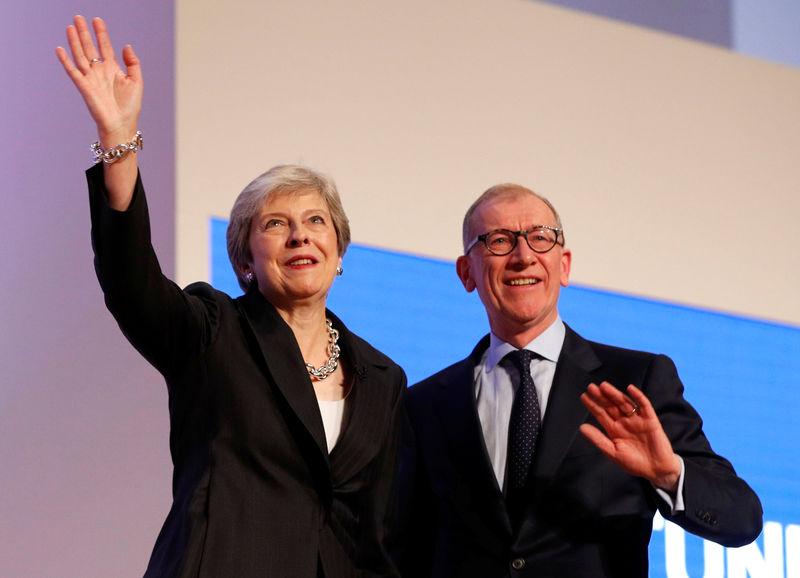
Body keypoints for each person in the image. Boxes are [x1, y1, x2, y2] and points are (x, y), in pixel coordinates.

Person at [56, 16, 405, 578]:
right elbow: (130, 282)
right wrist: (119, 145)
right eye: (275, 224)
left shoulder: (384, 378)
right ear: (244, 260)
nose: (299, 235)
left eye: (316, 220)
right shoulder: (212, 331)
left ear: (339, 251)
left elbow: (381, 530)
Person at [394, 183, 763, 577]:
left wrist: (668, 473)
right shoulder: (426, 404)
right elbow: (404, 547)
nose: (523, 256)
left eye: (540, 238)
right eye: (499, 241)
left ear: (564, 265)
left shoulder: (636, 380)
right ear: (466, 272)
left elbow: (741, 518)